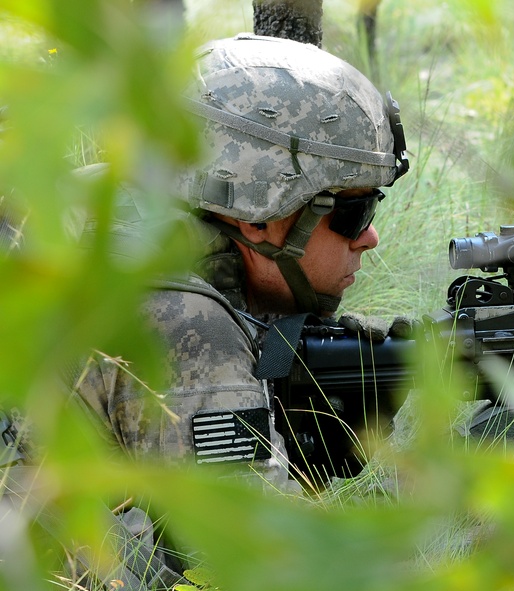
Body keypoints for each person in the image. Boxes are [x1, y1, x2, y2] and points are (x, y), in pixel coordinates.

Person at [72, 33, 409, 489]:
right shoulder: (188, 327)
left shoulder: (87, 205)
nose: (370, 237)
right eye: (354, 214)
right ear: (258, 218)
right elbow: (254, 553)